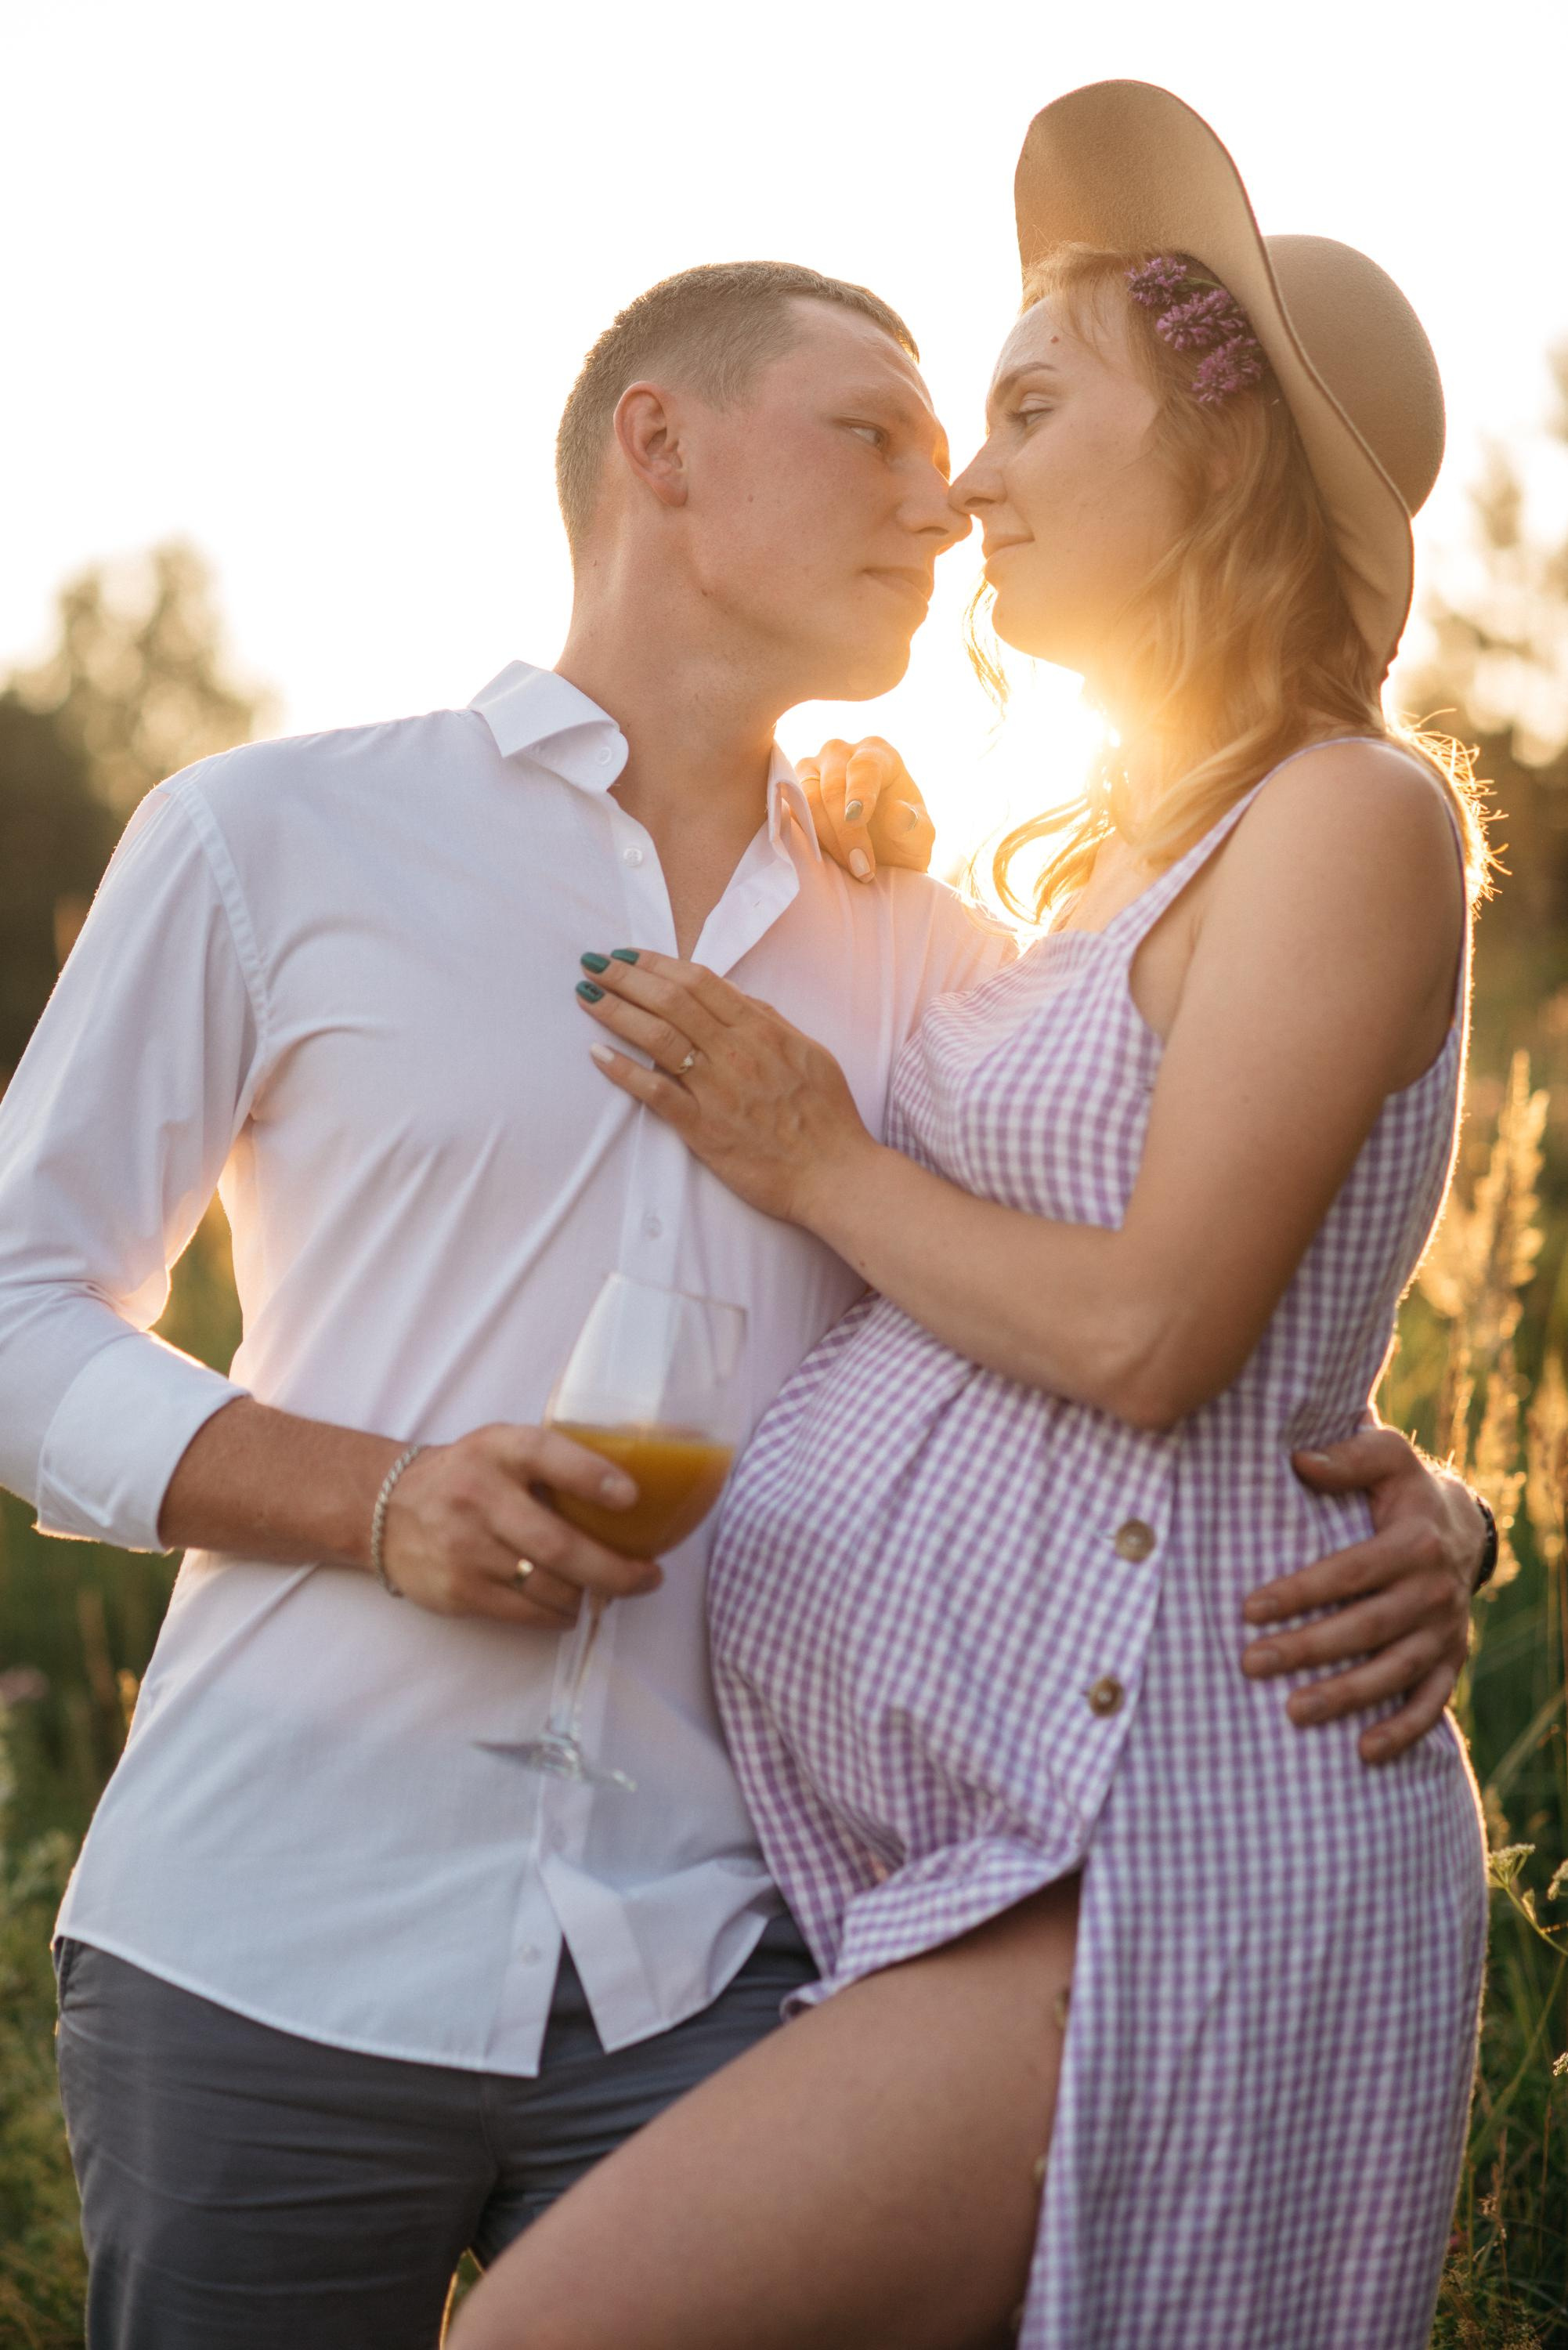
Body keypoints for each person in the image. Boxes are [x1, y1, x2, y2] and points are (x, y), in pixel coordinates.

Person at [0, 256, 1482, 2350]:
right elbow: (15, 1304)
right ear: (662, 448)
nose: (942, 498)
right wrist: (379, 1499)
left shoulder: (940, 950)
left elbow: (1161, 1265)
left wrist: (1406, 1486)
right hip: (272, 1930)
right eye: (873, 435)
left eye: (974, 439)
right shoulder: (276, 835)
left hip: (734, 1960)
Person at [452, 83, 1492, 2350]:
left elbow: (1154, 1333)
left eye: (1027, 412)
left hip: (1168, 1834)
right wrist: (855, 854)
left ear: (1216, 453)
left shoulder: (1352, 814)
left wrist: (816, 1150)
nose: (965, 486)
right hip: (994, 1834)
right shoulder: (1115, 859)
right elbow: (1203, 1230)